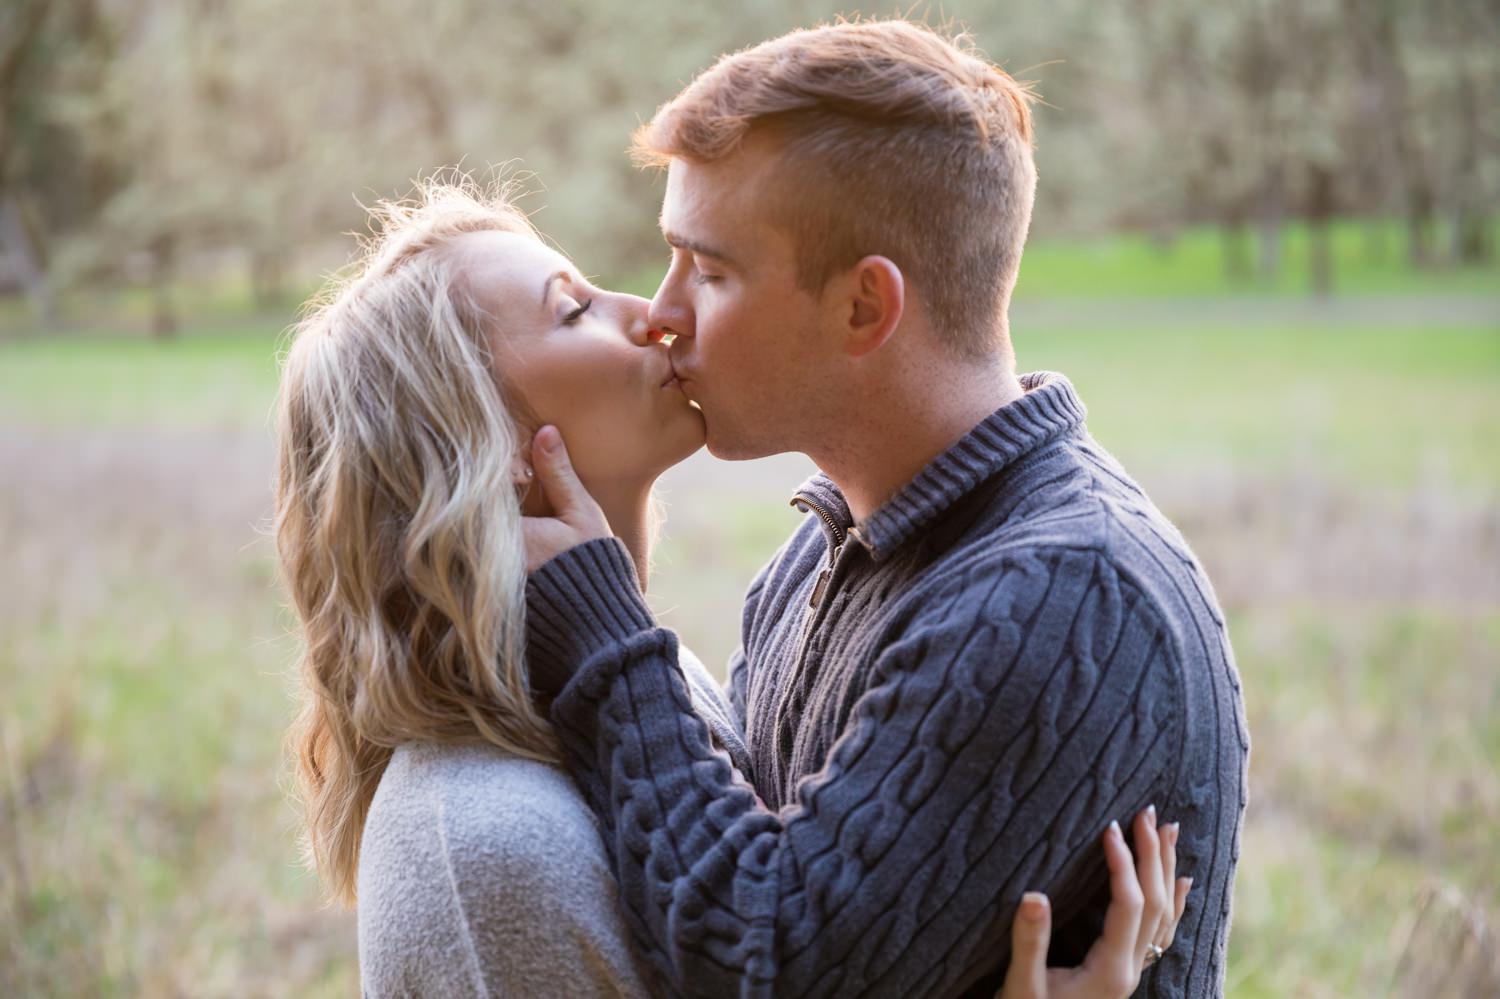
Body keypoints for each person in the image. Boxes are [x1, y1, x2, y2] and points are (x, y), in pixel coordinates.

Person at [273, 180, 1188, 997]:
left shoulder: (642, 708)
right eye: (574, 310)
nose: (653, 314)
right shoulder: (490, 843)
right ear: (490, 444)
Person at [519, 18, 1250, 999]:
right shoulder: (822, 557)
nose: (663, 310)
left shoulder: (1065, 599)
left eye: (714, 270)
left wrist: (607, 642)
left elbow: (767, 963)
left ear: (866, 307)